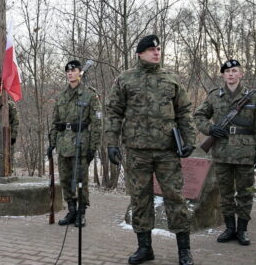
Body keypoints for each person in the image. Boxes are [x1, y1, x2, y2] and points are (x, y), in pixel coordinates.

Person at [105, 35, 195, 265]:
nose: (157, 53)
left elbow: (184, 111)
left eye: (158, 49)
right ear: (140, 53)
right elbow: (114, 112)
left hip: (167, 151)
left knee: (175, 198)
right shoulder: (125, 79)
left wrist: (190, 140)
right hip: (137, 152)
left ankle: (184, 250)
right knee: (140, 200)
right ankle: (145, 248)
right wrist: (112, 143)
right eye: (151, 49)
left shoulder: (171, 79)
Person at [193, 59, 256, 246]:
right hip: (222, 152)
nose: (231, 74)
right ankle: (229, 228)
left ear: (241, 74)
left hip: (245, 152)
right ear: (223, 75)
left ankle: (242, 230)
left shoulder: (253, 98)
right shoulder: (214, 96)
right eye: (227, 72)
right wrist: (210, 130)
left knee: (245, 193)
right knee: (225, 192)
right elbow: (199, 116)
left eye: (234, 71)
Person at [46, 60, 102, 227]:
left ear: (80, 72)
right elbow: (55, 121)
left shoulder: (89, 95)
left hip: (80, 144)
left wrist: (93, 147)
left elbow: (97, 123)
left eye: (74, 70)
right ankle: (71, 210)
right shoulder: (61, 96)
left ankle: (81, 213)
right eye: (68, 71)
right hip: (63, 145)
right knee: (65, 179)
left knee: (80, 180)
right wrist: (52, 143)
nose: (70, 73)